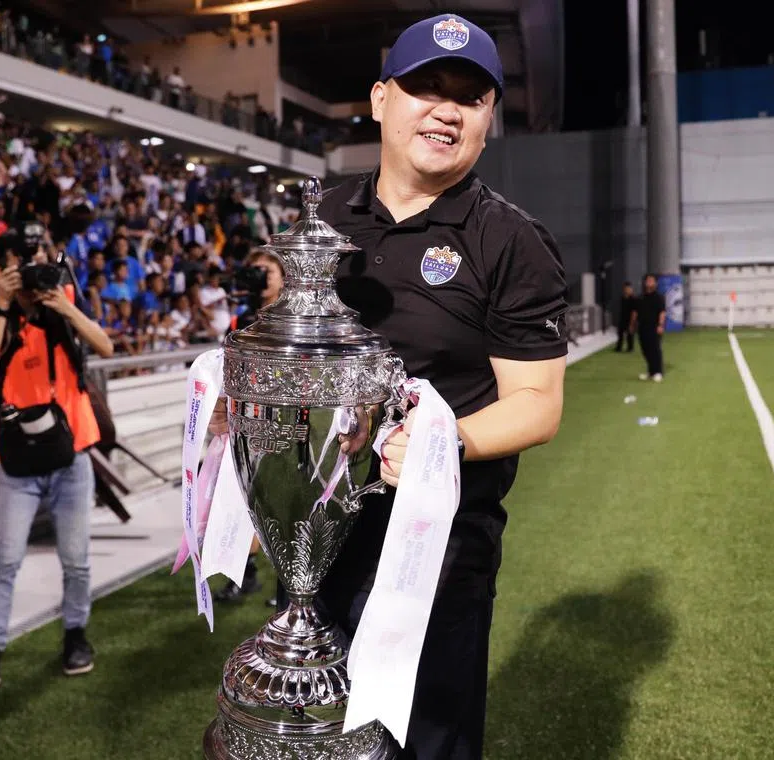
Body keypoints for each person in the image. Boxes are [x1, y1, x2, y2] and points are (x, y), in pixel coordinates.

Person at [212, 14, 568, 758]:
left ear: (487, 120)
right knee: (311, 739)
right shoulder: (324, 220)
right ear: (379, 99)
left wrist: (446, 444)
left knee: (420, 745)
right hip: (315, 535)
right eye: (425, 88)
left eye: (469, 98)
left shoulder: (510, 240)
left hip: (430, 553)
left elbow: (537, 404)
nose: (445, 109)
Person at [0, 227, 113, 695]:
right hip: (19, 461)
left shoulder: (60, 306)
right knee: (5, 559)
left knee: (76, 560)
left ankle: (75, 635)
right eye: (17, 263)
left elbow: (105, 347)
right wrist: (4, 305)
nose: (28, 269)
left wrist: (63, 305)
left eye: (35, 258)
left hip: (73, 455)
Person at [213, 248, 285, 604]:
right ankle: (246, 573)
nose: (260, 276)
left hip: (286, 419)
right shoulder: (240, 319)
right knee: (245, 500)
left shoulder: (293, 317)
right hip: (247, 418)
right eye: (254, 270)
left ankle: (289, 584)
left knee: (284, 502)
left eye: (267, 270)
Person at [632, 273, 665, 381]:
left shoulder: (659, 297)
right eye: (648, 280)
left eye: (652, 280)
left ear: (655, 283)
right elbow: (635, 312)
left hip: (654, 326)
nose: (649, 282)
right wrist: (632, 325)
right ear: (645, 283)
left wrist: (660, 325)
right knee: (645, 350)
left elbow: (662, 312)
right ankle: (651, 372)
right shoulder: (640, 297)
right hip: (642, 327)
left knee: (655, 349)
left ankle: (658, 372)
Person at [615, 281, 636, 352]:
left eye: (629, 289)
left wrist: (632, 323)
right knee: (620, 333)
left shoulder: (633, 299)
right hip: (622, 318)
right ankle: (619, 347)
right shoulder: (622, 298)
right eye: (626, 288)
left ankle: (630, 348)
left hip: (630, 318)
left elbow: (634, 311)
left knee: (630, 333)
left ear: (631, 289)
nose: (627, 290)